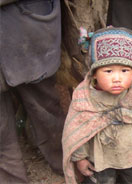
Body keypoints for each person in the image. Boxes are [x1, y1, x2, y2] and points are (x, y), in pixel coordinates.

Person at [62, 27, 132, 184]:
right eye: (108, 71)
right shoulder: (84, 97)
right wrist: (80, 158)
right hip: (99, 161)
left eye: (124, 70)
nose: (117, 78)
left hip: (131, 158)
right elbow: (76, 130)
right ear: (94, 73)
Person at [0, 0, 65, 183]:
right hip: (27, 29)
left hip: (25, 27)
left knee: (45, 107)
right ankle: (11, 178)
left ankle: (65, 161)